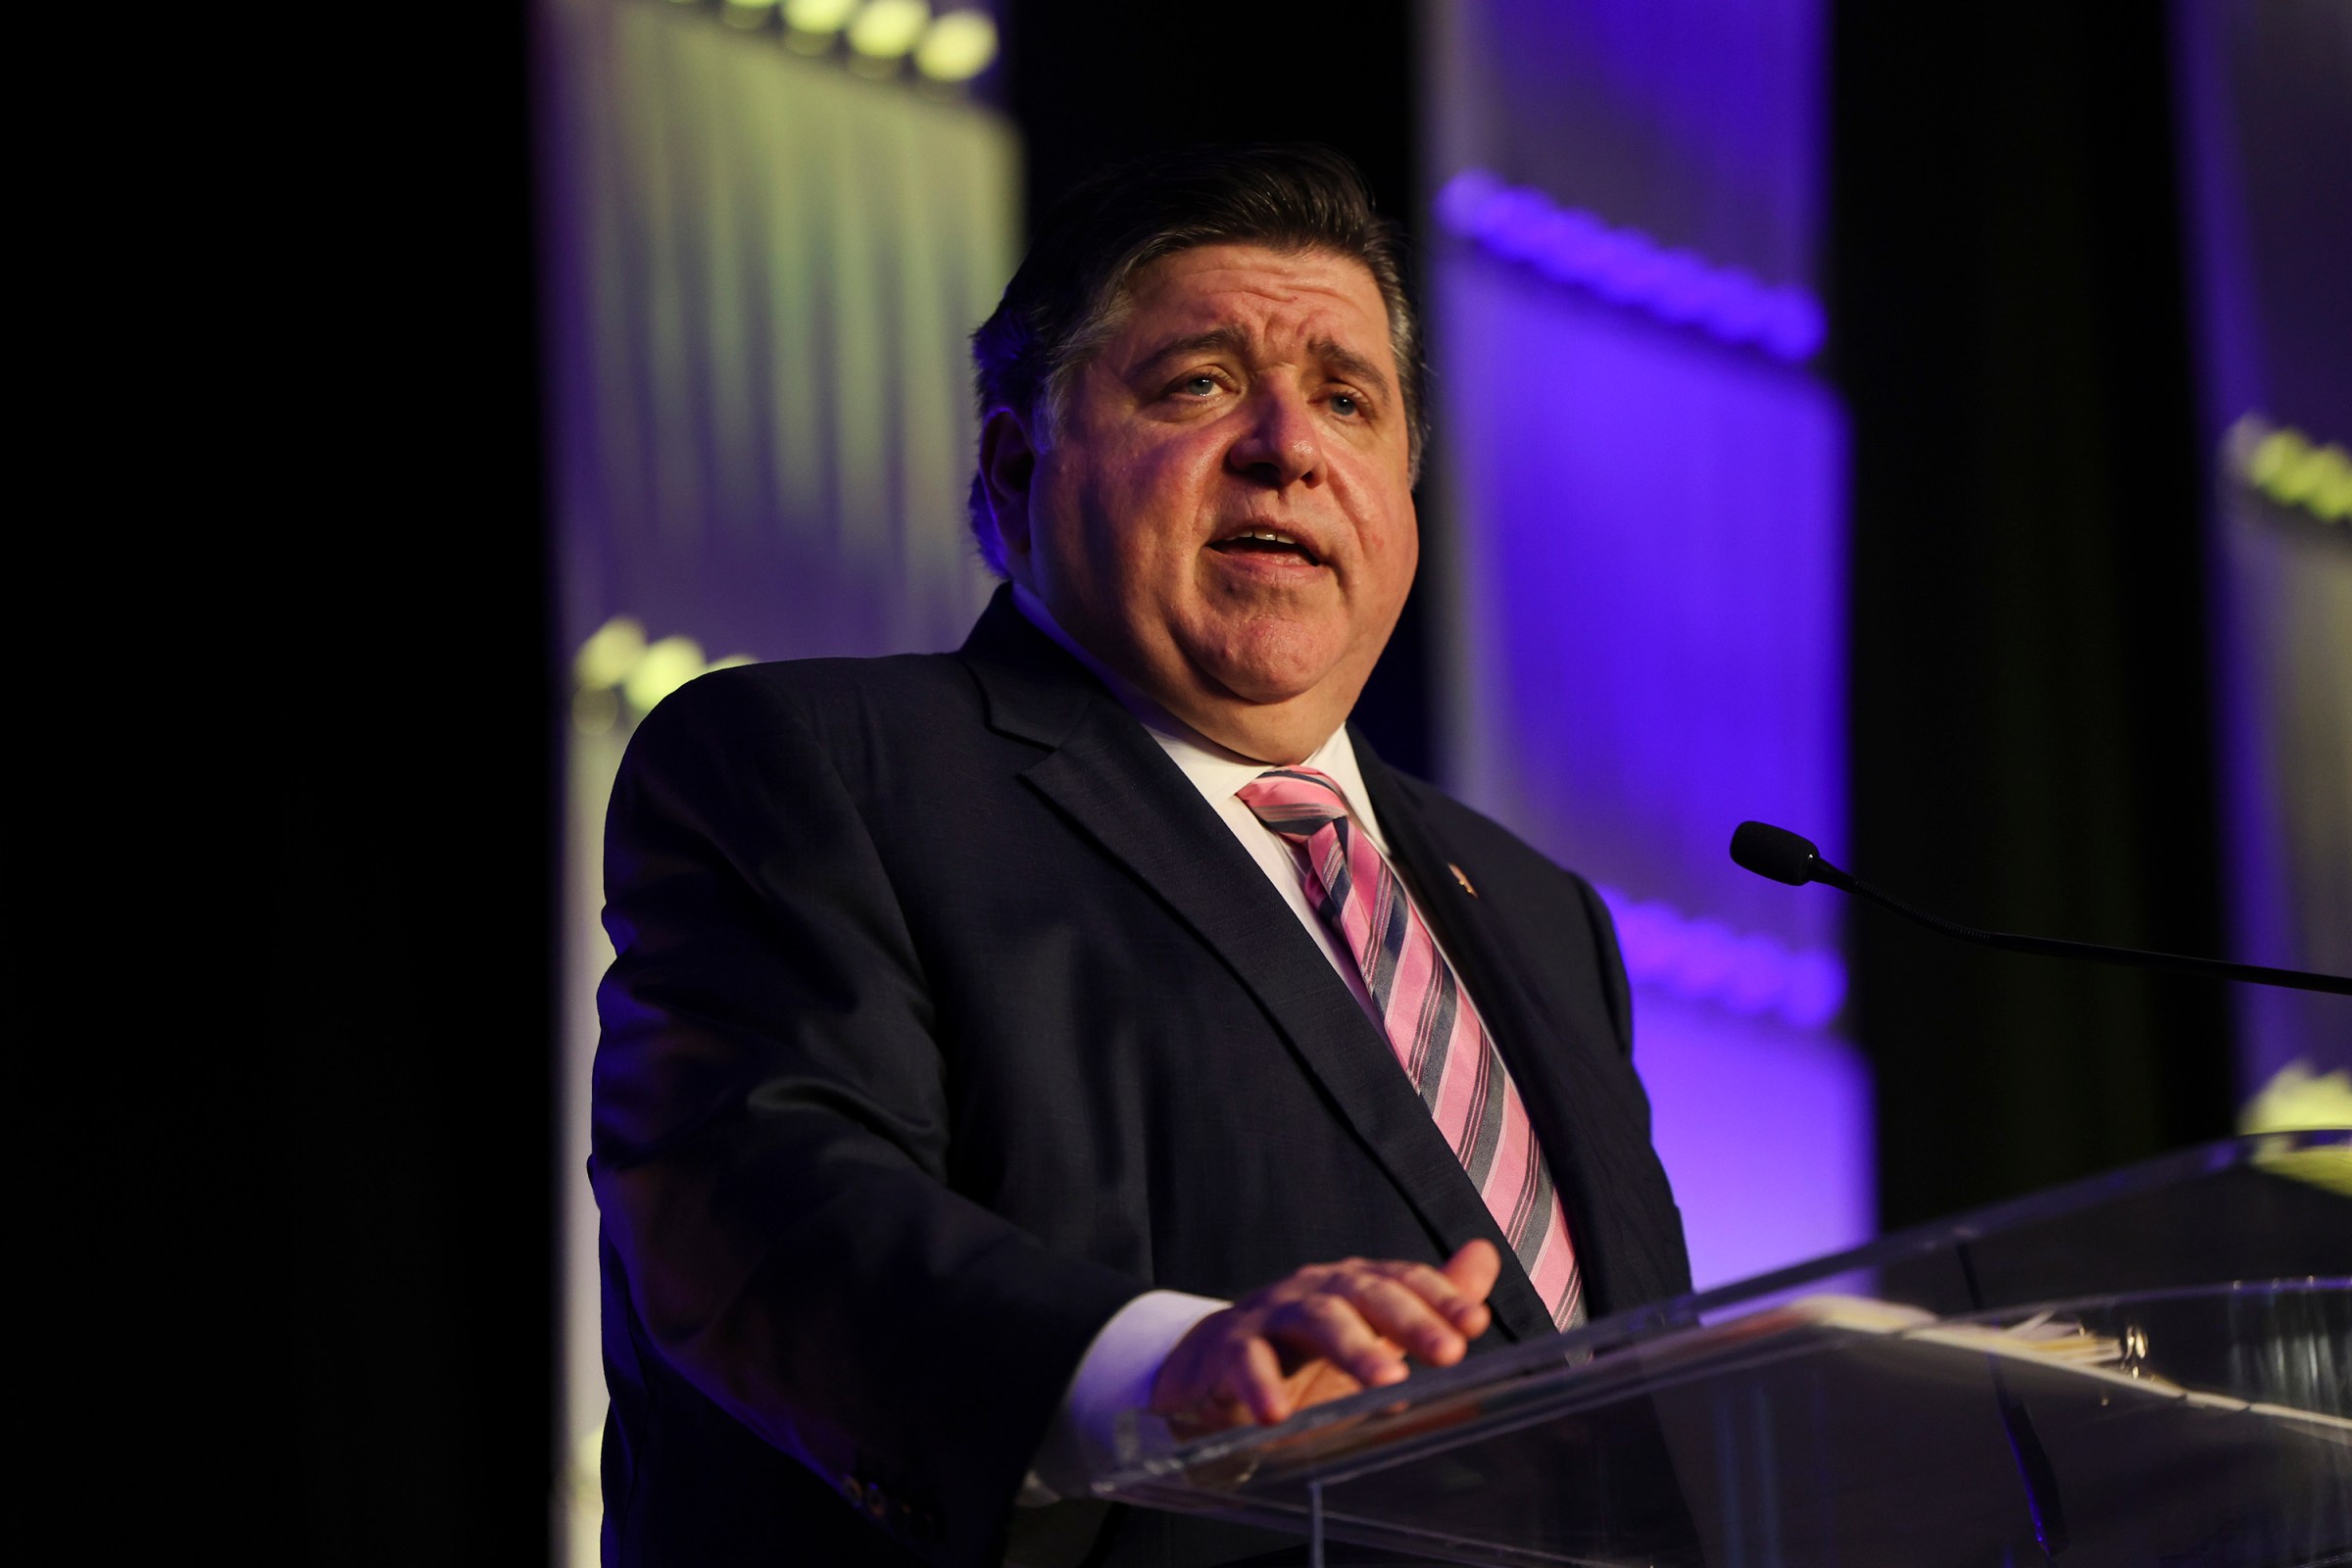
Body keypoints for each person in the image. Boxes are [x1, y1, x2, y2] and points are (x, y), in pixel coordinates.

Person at [592, 144, 1690, 1568]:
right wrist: (1153, 1378)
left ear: (1404, 506)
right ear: (1014, 463)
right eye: (1200, 384)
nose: (1288, 445)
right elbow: (751, 1199)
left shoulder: (1543, 916)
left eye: (1347, 401)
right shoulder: (815, 765)